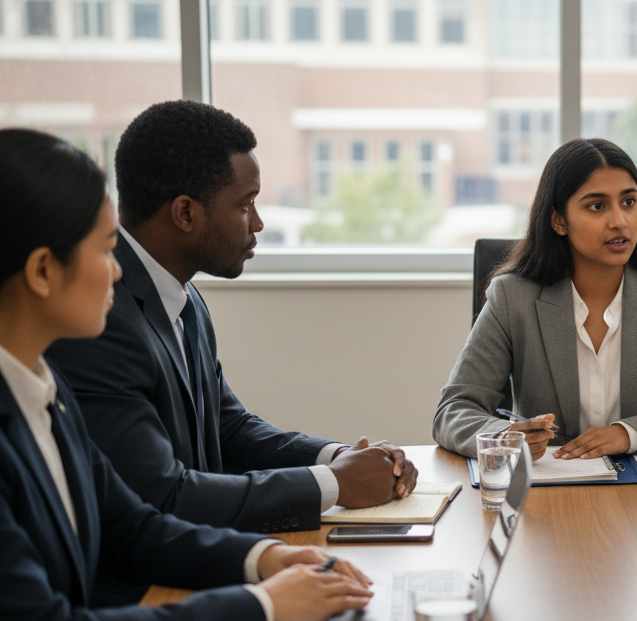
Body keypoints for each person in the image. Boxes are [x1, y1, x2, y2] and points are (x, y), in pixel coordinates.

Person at [0, 129, 374, 621]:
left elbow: (132, 526)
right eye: (105, 249)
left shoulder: (43, 386)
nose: (118, 268)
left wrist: (263, 560)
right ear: (42, 271)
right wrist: (263, 609)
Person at [44, 101, 416, 557]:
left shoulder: (182, 296)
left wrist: (337, 457)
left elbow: (228, 427)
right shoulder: (101, 321)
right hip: (148, 578)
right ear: (185, 213)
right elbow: (163, 496)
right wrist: (333, 484)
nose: (258, 223)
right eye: (245, 204)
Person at [433, 138, 637, 461]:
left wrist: (629, 433)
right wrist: (505, 438)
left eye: (629, 202)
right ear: (559, 220)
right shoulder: (512, 298)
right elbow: (454, 411)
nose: (620, 221)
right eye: (597, 206)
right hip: (550, 486)